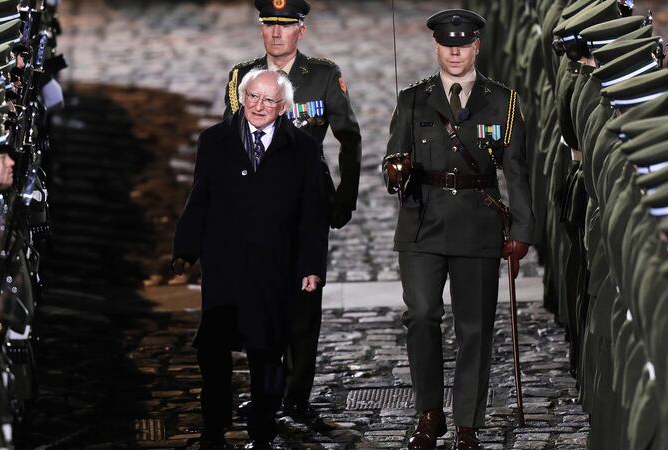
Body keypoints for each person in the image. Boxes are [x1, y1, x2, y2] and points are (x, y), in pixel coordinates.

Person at [382, 9, 534, 450]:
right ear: (436, 47)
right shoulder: (413, 99)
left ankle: (467, 422)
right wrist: (395, 170)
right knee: (421, 315)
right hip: (422, 222)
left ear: (475, 47)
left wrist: (521, 231)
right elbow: (392, 164)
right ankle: (429, 414)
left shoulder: (503, 101)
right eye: (448, 44)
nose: (455, 50)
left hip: (477, 223)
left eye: (463, 44)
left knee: (475, 328)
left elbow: (517, 172)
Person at [224, 0, 362, 421]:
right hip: (258, 204)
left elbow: (349, 138)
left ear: (301, 29)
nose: (277, 33)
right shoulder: (241, 77)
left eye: (285, 25)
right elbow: (232, 142)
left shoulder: (321, 76)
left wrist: (345, 197)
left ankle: (297, 391)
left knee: (304, 299)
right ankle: (268, 387)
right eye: (269, 24)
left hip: (307, 203)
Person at [173, 69, 325, 450]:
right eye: (253, 97)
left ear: (283, 107)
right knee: (213, 348)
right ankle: (214, 424)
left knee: (267, 351)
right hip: (224, 264)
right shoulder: (215, 140)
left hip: (275, 267)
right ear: (242, 97)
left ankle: (262, 428)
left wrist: (310, 266)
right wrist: (185, 249)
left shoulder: (304, 149)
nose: (259, 106)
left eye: (269, 100)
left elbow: (312, 215)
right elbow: (200, 197)